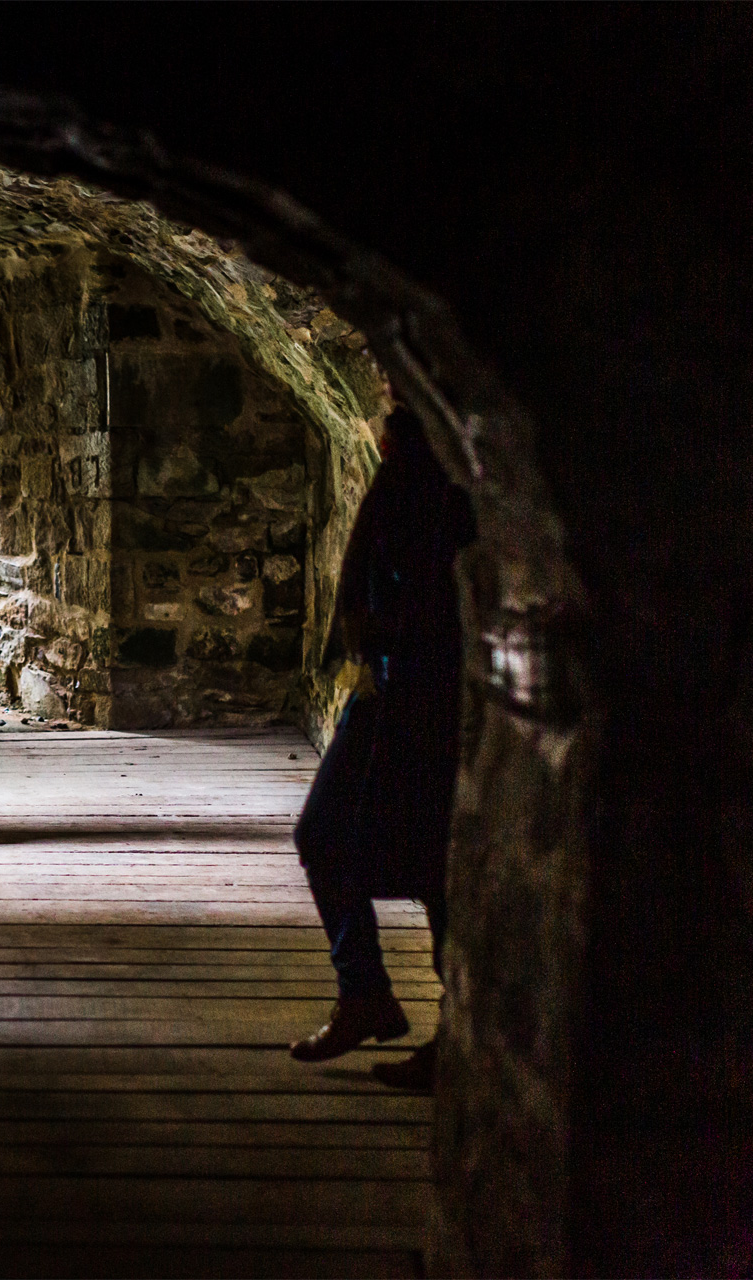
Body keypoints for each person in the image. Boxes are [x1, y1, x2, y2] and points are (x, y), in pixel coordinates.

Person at [289, 407, 477, 1091]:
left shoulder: (450, 483)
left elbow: (443, 602)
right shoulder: (411, 473)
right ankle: (366, 991)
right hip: (385, 694)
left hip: (430, 704)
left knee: (435, 872)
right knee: (331, 837)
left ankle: (452, 1029)